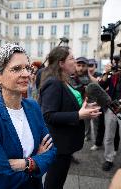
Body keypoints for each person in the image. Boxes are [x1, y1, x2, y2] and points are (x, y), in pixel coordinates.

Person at [0, 43, 56, 188]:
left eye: (27, 67)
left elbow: (51, 151)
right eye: (17, 69)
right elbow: (1, 175)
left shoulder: (33, 107)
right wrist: (37, 160)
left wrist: (25, 163)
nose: (26, 74)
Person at [38, 46, 101, 189]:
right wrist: (79, 115)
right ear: (61, 63)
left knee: (58, 180)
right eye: (72, 59)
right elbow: (48, 115)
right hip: (59, 144)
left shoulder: (65, 80)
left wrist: (84, 109)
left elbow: (67, 105)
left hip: (66, 143)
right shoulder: (53, 82)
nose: (75, 61)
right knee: (54, 182)